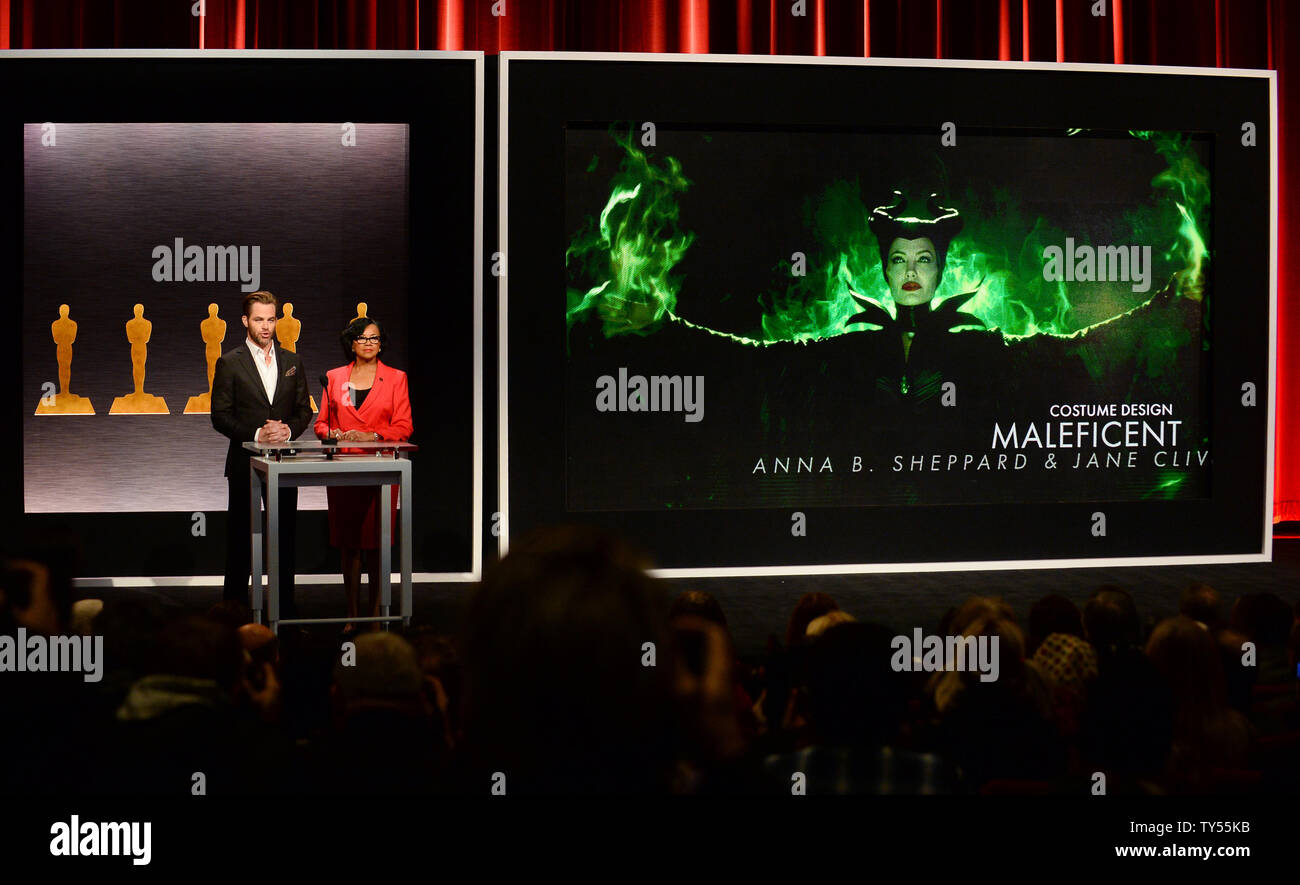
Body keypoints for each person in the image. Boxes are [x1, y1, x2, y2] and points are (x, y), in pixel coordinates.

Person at [211, 291, 313, 616]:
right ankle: (236, 615)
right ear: (245, 321)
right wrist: (257, 434)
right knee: (240, 542)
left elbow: (303, 411)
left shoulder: (293, 362)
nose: (266, 326)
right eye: (259, 319)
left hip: (284, 464)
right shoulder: (229, 362)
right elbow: (220, 415)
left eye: (271, 319)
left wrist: (288, 431)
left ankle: (283, 613)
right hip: (244, 464)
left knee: (284, 541)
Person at [314, 316, 413, 631]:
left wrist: (372, 436)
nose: (370, 344)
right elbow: (321, 425)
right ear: (351, 343)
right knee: (350, 544)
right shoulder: (333, 378)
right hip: (344, 471)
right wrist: (333, 433)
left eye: (375, 338)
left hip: (381, 469)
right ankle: (352, 613)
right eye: (363, 338)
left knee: (378, 543)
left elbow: (404, 426)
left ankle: (375, 614)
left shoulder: (396, 378)